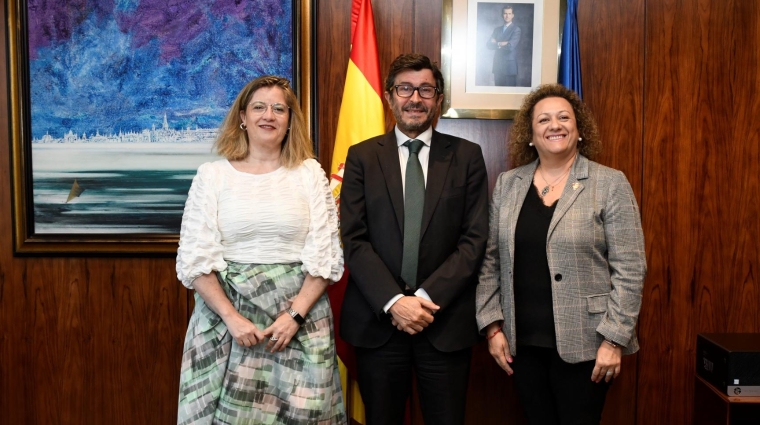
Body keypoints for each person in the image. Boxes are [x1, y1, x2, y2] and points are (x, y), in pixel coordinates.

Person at [175, 75, 346, 425]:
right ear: (243, 116)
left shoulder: (310, 173)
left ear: (289, 120)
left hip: (300, 321)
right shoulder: (212, 176)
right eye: (259, 107)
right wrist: (232, 318)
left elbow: (325, 254)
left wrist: (294, 316)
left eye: (279, 108)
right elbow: (196, 259)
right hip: (229, 324)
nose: (269, 115)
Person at [476, 84, 646, 424]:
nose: (555, 125)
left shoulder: (609, 183)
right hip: (520, 346)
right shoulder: (509, 184)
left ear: (578, 130)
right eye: (544, 120)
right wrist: (492, 326)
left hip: (588, 346)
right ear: (530, 134)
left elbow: (631, 268)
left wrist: (614, 340)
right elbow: (490, 262)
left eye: (564, 117)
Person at [339, 53, 489, 425]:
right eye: (405, 88)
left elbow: (474, 239)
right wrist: (395, 302)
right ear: (390, 97)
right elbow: (353, 239)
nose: (415, 98)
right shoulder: (361, 157)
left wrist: (422, 300)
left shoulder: (467, 156)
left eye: (426, 89)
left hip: (444, 323)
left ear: (438, 99)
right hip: (379, 325)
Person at [487, 5, 521, 86]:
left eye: (509, 13)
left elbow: (510, 47)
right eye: (505, 13)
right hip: (497, 67)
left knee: (509, 94)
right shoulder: (497, 30)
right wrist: (502, 43)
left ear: (513, 15)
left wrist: (496, 43)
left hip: (509, 68)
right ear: (502, 15)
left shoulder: (516, 29)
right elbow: (488, 45)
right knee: (497, 95)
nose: (507, 16)